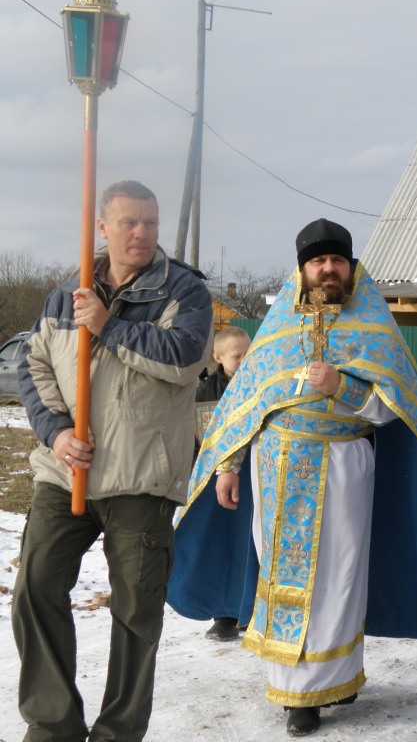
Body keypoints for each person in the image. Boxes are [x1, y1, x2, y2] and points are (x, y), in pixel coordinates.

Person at [181, 218, 417, 736]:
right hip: (276, 465)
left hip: (343, 464)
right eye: (317, 261)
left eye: (337, 261)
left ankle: (339, 675)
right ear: (303, 267)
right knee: (280, 570)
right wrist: (228, 466)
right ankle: (298, 695)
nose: (327, 269)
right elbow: (246, 404)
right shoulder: (278, 325)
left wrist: (343, 390)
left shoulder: (375, 327)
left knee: (341, 574)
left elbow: (398, 406)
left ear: (350, 267)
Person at [13, 180, 214, 742]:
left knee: (136, 611)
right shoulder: (67, 293)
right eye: (128, 222)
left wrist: (109, 325)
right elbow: (34, 368)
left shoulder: (185, 291)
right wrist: (55, 433)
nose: (142, 233)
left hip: (141, 477)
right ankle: (53, 723)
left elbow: (183, 359)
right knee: (36, 586)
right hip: (67, 472)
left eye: (149, 222)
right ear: (102, 227)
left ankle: (118, 733)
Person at [168, 326, 256, 642]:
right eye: (238, 355)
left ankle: (256, 611)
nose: (245, 360)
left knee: (255, 545)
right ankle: (226, 613)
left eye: (250, 352)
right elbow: (202, 442)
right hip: (217, 484)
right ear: (218, 357)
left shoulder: (261, 384)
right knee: (224, 547)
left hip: (257, 477)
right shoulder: (206, 393)